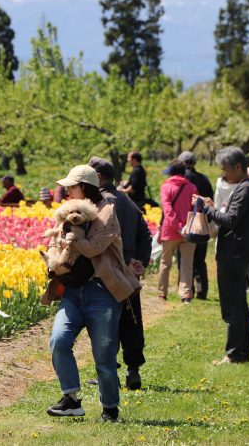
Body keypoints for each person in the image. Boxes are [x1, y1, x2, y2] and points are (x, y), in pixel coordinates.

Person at [42, 165, 141, 422]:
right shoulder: (65, 214)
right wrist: (53, 258)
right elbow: (53, 244)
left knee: (104, 356)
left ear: (84, 187)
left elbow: (95, 247)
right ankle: (71, 398)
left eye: (71, 187)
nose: (66, 191)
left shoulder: (107, 212)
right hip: (73, 291)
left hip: (102, 292)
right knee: (59, 340)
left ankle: (110, 408)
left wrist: (68, 241)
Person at [89, 156, 152, 390]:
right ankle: (133, 369)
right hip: (129, 268)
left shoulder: (101, 201)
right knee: (132, 320)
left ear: (97, 177)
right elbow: (145, 233)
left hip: (107, 269)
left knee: (107, 322)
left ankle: (108, 371)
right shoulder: (127, 201)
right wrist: (141, 260)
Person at [197, 147, 249, 364]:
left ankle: (234, 354)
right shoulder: (244, 187)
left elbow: (231, 220)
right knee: (239, 304)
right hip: (236, 252)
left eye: (226, 170)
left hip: (233, 253)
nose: (224, 174)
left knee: (232, 306)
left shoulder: (244, 189)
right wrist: (215, 208)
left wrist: (208, 210)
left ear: (238, 167)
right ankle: (242, 352)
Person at [158, 159, 198, 303]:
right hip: (189, 231)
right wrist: (186, 226)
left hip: (170, 231)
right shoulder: (192, 187)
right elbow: (195, 209)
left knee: (165, 263)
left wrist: (177, 226)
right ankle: (186, 295)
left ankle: (162, 292)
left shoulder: (166, 187)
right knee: (187, 264)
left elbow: (167, 209)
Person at [178, 151, 214, 300]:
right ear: (194, 163)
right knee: (200, 259)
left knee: (185, 259)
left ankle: (188, 289)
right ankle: (202, 291)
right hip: (203, 223)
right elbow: (210, 200)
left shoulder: (182, 180)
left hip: (187, 224)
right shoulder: (204, 179)